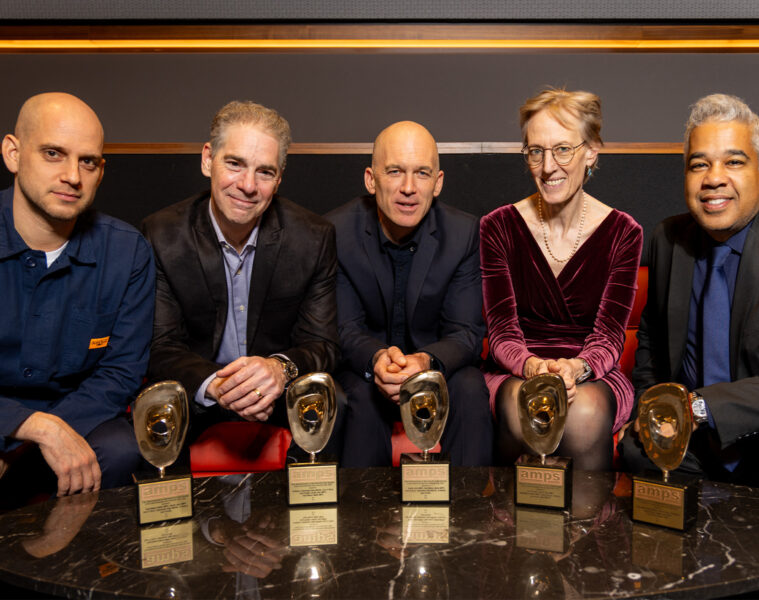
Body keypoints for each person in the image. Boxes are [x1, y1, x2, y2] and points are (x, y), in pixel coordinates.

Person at [142, 101, 342, 453]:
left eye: (264, 172)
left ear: (278, 179)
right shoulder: (163, 234)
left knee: (337, 401)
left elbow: (323, 345)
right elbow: (162, 347)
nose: (248, 185)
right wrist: (218, 387)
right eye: (234, 164)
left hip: (278, 396)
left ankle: (313, 511)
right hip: (197, 393)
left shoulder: (312, 237)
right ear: (208, 160)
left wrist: (279, 370)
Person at [0, 92, 155, 507]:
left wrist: (37, 438)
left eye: (88, 161)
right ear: (13, 154)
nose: (73, 175)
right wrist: (21, 426)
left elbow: (120, 374)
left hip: (78, 415)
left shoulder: (128, 251)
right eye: (53, 153)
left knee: (123, 450)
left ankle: (83, 569)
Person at [481, 89, 642, 470]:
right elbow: (502, 330)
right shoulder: (498, 226)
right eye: (535, 151)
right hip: (516, 368)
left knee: (583, 415)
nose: (548, 166)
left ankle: (588, 531)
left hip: (593, 370)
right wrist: (535, 366)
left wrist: (576, 369)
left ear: (591, 151)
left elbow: (610, 336)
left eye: (562, 149)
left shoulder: (624, 232)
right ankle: (511, 529)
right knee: (527, 407)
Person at [620, 93, 759, 487]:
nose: (713, 177)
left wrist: (697, 407)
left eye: (734, 162)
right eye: (699, 164)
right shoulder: (668, 239)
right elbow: (649, 337)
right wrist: (648, 408)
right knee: (636, 448)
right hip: (690, 445)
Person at [327, 120, 493, 467]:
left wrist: (423, 363)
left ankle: (469, 513)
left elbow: (466, 333)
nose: (408, 188)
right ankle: (365, 517)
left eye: (421, 173)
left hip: (437, 368)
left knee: (469, 385)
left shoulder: (464, 234)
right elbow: (344, 329)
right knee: (357, 393)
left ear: (438, 183)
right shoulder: (336, 233)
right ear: (371, 180)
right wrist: (377, 361)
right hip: (366, 370)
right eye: (394, 172)